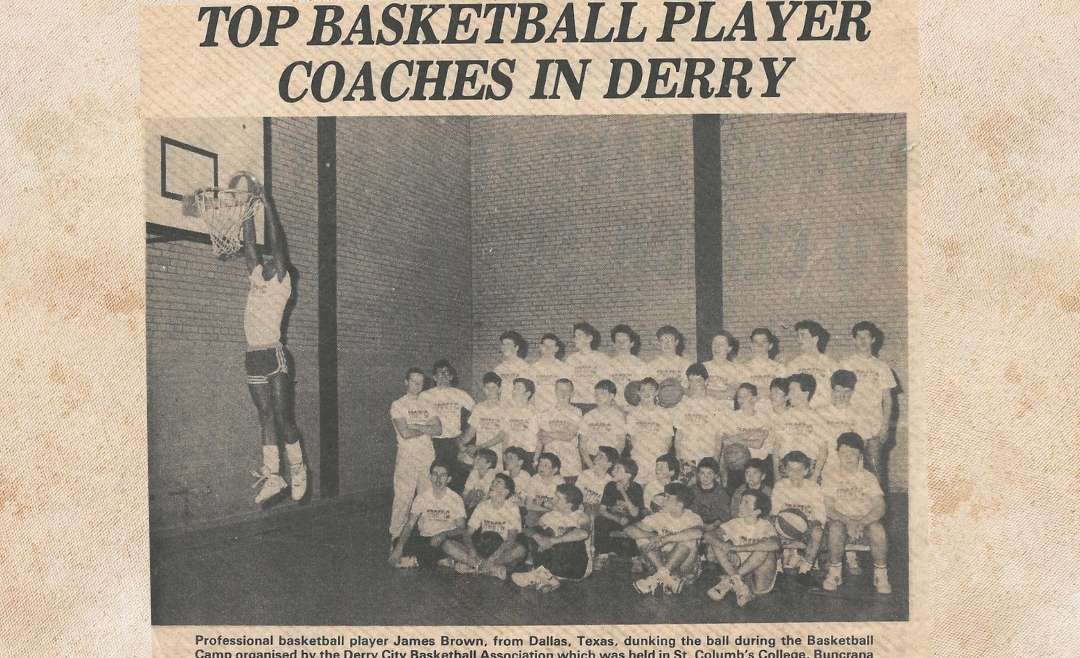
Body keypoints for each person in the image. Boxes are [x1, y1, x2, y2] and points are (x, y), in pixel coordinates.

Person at [239, 190, 308, 505]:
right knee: (264, 415)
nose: (265, 262)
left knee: (283, 418)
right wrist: (248, 211)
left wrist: (268, 206)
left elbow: (278, 246)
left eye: (273, 262)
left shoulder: (282, 283)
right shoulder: (258, 278)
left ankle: (297, 468)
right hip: (253, 354)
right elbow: (250, 247)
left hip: (274, 353)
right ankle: (273, 474)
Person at [822, 432, 892, 594]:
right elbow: (829, 508)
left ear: (860, 455)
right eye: (844, 453)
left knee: (878, 530)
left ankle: (880, 575)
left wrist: (861, 522)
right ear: (837, 453)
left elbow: (880, 506)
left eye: (853, 453)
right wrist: (849, 521)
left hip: (864, 521)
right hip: (840, 520)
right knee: (835, 529)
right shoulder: (830, 476)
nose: (848, 457)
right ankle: (834, 574)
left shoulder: (868, 477)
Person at [840, 321, 899, 486]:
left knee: (875, 474)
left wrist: (885, 426)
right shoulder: (846, 364)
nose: (862, 340)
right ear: (854, 340)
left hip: (874, 428)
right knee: (850, 473)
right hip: (851, 427)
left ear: (873, 340)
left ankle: (879, 511)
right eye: (859, 337)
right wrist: (844, 422)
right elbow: (839, 395)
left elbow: (888, 400)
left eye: (866, 337)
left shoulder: (882, 367)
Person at [388, 368, 443, 545]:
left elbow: (438, 429)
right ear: (406, 382)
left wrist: (416, 427)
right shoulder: (398, 405)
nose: (417, 385)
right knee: (403, 498)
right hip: (407, 459)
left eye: (420, 382)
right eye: (414, 381)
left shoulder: (428, 404)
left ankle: (425, 533)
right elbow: (404, 432)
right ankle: (396, 535)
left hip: (427, 457)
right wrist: (425, 427)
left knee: (427, 496)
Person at [441, 474, 526, 579]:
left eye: (497, 483)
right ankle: (489, 568)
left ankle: (475, 567)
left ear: (505, 492)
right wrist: (472, 549)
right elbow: (468, 533)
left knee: (520, 550)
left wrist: (494, 557)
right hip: (482, 546)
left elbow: (511, 537)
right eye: (493, 482)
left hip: (500, 549)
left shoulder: (512, 508)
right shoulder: (483, 506)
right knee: (447, 545)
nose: (492, 485)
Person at [625, 482, 704, 595]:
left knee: (688, 539)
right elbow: (629, 529)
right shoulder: (660, 516)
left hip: (685, 567)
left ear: (679, 504)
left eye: (667, 497)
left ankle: (658, 577)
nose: (663, 500)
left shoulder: (692, 517)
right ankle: (665, 577)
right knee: (642, 538)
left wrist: (665, 539)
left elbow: (698, 533)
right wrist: (653, 536)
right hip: (661, 561)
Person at [703, 490, 779, 606]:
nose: (740, 505)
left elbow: (775, 545)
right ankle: (737, 582)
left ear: (757, 511)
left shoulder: (765, 525)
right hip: (739, 570)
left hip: (759, 576)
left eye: (746, 502)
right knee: (716, 543)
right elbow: (708, 535)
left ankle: (731, 580)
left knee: (763, 549)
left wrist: (736, 548)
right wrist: (724, 545)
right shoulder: (735, 523)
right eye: (741, 501)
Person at [513, 484, 593, 591]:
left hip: (577, 566)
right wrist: (538, 538)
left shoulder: (581, 516)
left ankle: (539, 575)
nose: (553, 500)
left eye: (558, 499)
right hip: (556, 563)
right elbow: (527, 530)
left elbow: (583, 534)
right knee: (536, 532)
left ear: (568, 505)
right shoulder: (548, 516)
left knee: (570, 534)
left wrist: (553, 540)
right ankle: (546, 577)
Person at [388, 461, 466, 569]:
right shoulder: (421, 497)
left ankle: (420, 560)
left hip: (445, 540)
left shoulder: (455, 498)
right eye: (435, 474)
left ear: (449, 479)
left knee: (448, 546)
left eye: (443, 475)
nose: (438, 479)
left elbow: (461, 528)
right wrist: (399, 548)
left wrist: (443, 534)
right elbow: (410, 524)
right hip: (426, 539)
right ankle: (442, 560)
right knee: (398, 541)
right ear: (430, 477)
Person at [420, 359, 475, 490]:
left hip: (453, 442)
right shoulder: (425, 396)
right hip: (432, 442)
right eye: (440, 373)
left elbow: (477, 412)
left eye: (446, 373)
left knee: (454, 478)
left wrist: (466, 433)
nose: (443, 376)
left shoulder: (459, 394)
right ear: (434, 377)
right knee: (434, 478)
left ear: (451, 376)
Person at [771, 451, 826, 575]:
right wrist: (784, 527)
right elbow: (774, 513)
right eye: (791, 469)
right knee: (769, 525)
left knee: (818, 532)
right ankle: (777, 564)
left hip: (807, 527)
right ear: (785, 470)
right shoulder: (780, 486)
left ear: (806, 471)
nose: (795, 474)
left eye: (799, 470)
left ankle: (806, 567)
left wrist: (804, 526)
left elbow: (820, 517)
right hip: (785, 527)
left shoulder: (814, 488)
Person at [818, 369, 876, 480]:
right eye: (838, 391)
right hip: (825, 468)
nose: (842, 396)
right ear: (831, 390)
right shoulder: (819, 413)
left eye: (847, 391)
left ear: (853, 392)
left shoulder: (860, 414)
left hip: (851, 468)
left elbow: (863, 445)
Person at [671, 363, 724, 482]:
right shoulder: (682, 405)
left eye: (698, 381)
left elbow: (718, 438)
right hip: (687, 460)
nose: (694, 385)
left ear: (706, 381)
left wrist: (714, 463)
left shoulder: (716, 405)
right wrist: (679, 461)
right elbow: (678, 437)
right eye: (691, 381)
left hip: (707, 460)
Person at [771, 374, 829, 482]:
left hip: (808, 470)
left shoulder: (818, 419)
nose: (788, 395)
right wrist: (776, 476)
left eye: (792, 391)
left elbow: (823, 451)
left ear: (805, 393)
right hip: (785, 469)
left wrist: (814, 477)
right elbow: (776, 449)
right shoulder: (783, 417)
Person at [719, 383, 774, 491]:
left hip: (758, 465)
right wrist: (752, 432)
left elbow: (758, 444)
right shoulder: (732, 417)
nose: (741, 399)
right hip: (737, 465)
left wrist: (735, 438)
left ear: (754, 398)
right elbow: (725, 441)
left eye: (745, 396)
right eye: (739, 396)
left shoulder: (764, 417)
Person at [593, 457, 645, 567]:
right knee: (600, 521)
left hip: (631, 519)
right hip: (615, 519)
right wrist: (617, 519)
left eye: (618, 469)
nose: (613, 470)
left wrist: (622, 491)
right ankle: (603, 555)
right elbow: (602, 510)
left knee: (634, 525)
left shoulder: (636, 488)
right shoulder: (610, 486)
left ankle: (636, 558)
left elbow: (635, 513)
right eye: (614, 467)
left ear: (628, 475)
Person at [626, 378, 674, 486]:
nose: (646, 393)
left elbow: (668, 442)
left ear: (656, 392)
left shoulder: (664, 414)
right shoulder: (632, 414)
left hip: (658, 462)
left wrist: (659, 463)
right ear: (638, 393)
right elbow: (632, 442)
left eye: (650, 389)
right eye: (643, 390)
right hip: (639, 460)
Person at [536, 379, 584, 481]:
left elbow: (569, 436)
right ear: (555, 391)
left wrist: (547, 433)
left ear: (572, 393)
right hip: (549, 466)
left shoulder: (576, 412)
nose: (563, 393)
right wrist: (561, 432)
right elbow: (542, 439)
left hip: (570, 465)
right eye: (560, 390)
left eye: (567, 390)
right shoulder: (546, 412)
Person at [459, 372, 507, 469]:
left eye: (493, 387)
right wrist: (461, 443)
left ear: (500, 389)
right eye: (487, 388)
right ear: (484, 389)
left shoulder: (506, 408)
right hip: (480, 455)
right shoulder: (478, 408)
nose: (490, 391)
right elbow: (471, 432)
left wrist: (479, 447)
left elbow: (502, 435)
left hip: (497, 456)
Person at [786, 320, 836, 409]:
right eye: (798, 336)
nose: (799, 340)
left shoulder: (830, 363)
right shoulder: (793, 364)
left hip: (824, 412)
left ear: (815, 339)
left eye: (803, 335)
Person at [579, 380, 628, 468]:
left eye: (602, 393)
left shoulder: (618, 416)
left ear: (611, 396)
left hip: (610, 460)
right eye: (596, 394)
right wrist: (591, 466)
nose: (598, 396)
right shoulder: (588, 416)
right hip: (591, 459)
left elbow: (621, 444)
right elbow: (582, 445)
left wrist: (609, 463)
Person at [565, 322, 610, 411]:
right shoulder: (570, 359)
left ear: (589, 338)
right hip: (575, 403)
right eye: (575, 336)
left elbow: (606, 384)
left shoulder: (602, 358)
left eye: (579, 335)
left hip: (595, 404)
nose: (575, 339)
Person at [502, 378, 540, 470]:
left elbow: (539, 439)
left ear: (527, 394)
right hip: (510, 454)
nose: (514, 391)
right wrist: (504, 454)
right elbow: (505, 435)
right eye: (514, 388)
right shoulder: (508, 412)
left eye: (518, 388)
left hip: (527, 455)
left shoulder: (534, 413)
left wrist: (536, 459)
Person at [607, 324, 647, 410]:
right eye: (618, 341)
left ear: (632, 343)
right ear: (614, 344)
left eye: (624, 341)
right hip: (613, 409)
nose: (621, 344)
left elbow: (644, 390)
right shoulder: (607, 365)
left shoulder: (640, 365)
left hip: (635, 409)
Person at [529, 333, 571, 411]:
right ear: (540, 347)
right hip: (538, 410)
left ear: (556, 349)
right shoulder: (533, 368)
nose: (547, 348)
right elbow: (531, 393)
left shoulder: (563, 367)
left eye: (551, 346)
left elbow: (566, 391)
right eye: (545, 346)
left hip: (557, 411)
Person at [703, 331, 745, 404]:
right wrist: (723, 393)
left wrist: (708, 391)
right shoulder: (702, 367)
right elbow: (696, 391)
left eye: (721, 344)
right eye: (714, 343)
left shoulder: (736, 368)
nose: (717, 347)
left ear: (729, 348)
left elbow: (732, 394)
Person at [524, 452, 565, 527]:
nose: (541, 467)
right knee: (530, 516)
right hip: (537, 511)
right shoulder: (534, 479)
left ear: (554, 470)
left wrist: (549, 510)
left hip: (553, 513)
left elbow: (558, 505)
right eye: (540, 464)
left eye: (545, 465)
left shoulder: (559, 481)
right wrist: (547, 509)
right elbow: (529, 505)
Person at [691, 458, 731, 530]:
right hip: (695, 524)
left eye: (710, 473)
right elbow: (689, 512)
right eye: (702, 473)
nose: (706, 477)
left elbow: (725, 514)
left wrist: (714, 525)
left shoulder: (721, 492)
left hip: (715, 526)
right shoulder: (692, 490)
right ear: (698, 474)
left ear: (716, 475)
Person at [577, 446, 618, 511]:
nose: (596, 457)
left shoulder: (610, 483)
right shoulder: (585, 473)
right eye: (597, 454)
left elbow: (606, 508)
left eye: (601, 456)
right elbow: (576, 495)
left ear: (609, 464)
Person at [743, 328, 784, 395]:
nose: (760, 346)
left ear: (770, 346)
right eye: (756, 342)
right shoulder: (743, 368)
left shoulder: (779, 368)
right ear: (751, 346)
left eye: (764, 342)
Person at [494, 330, 530, 404]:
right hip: (503, 409)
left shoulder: (525, 367)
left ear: (516, 347)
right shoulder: (498, 369)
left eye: (508, 344)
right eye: (503, 344)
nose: (505, 347)